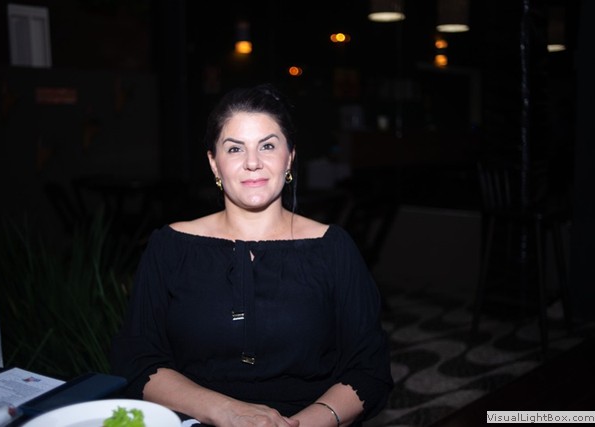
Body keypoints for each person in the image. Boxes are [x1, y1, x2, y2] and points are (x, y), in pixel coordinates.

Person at [110, 83, 393, 426]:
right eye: (234, 149)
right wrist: (227, 412)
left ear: (290, 157)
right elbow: (137, 359)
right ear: (214, 163)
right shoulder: (170, 247)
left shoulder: (333, 248)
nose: (253, 163)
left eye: (268, 146)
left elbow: (369, 369)